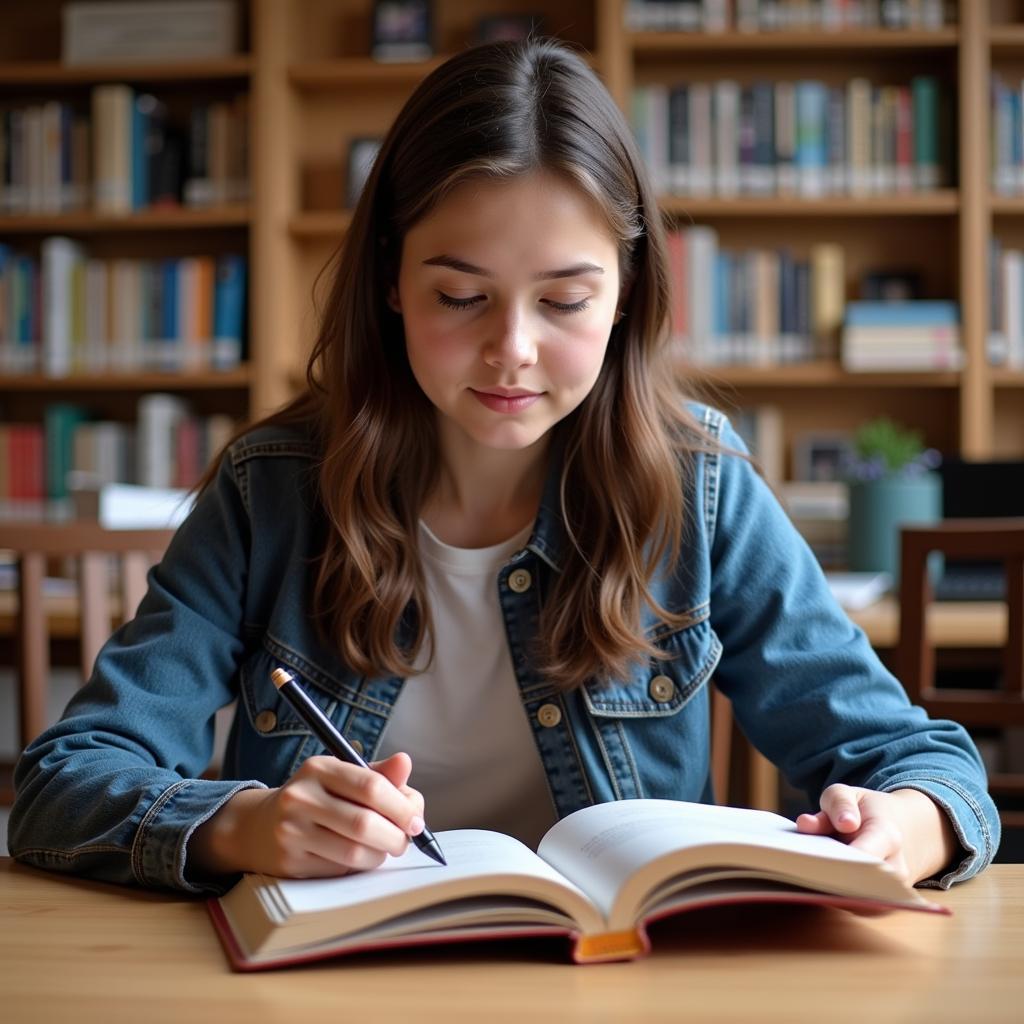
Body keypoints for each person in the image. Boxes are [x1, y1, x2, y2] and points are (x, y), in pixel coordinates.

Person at [9, 38, 998, 894]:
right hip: (331, 980)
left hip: (611, 981)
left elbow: (919, 762)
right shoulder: (270, 490)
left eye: (563, 301)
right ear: (393, 280)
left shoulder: (698, 485)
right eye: (460, 296)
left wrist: (906, 828)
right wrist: (241, 827)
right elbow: (65, 781)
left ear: (625, 295)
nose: (511, 350)